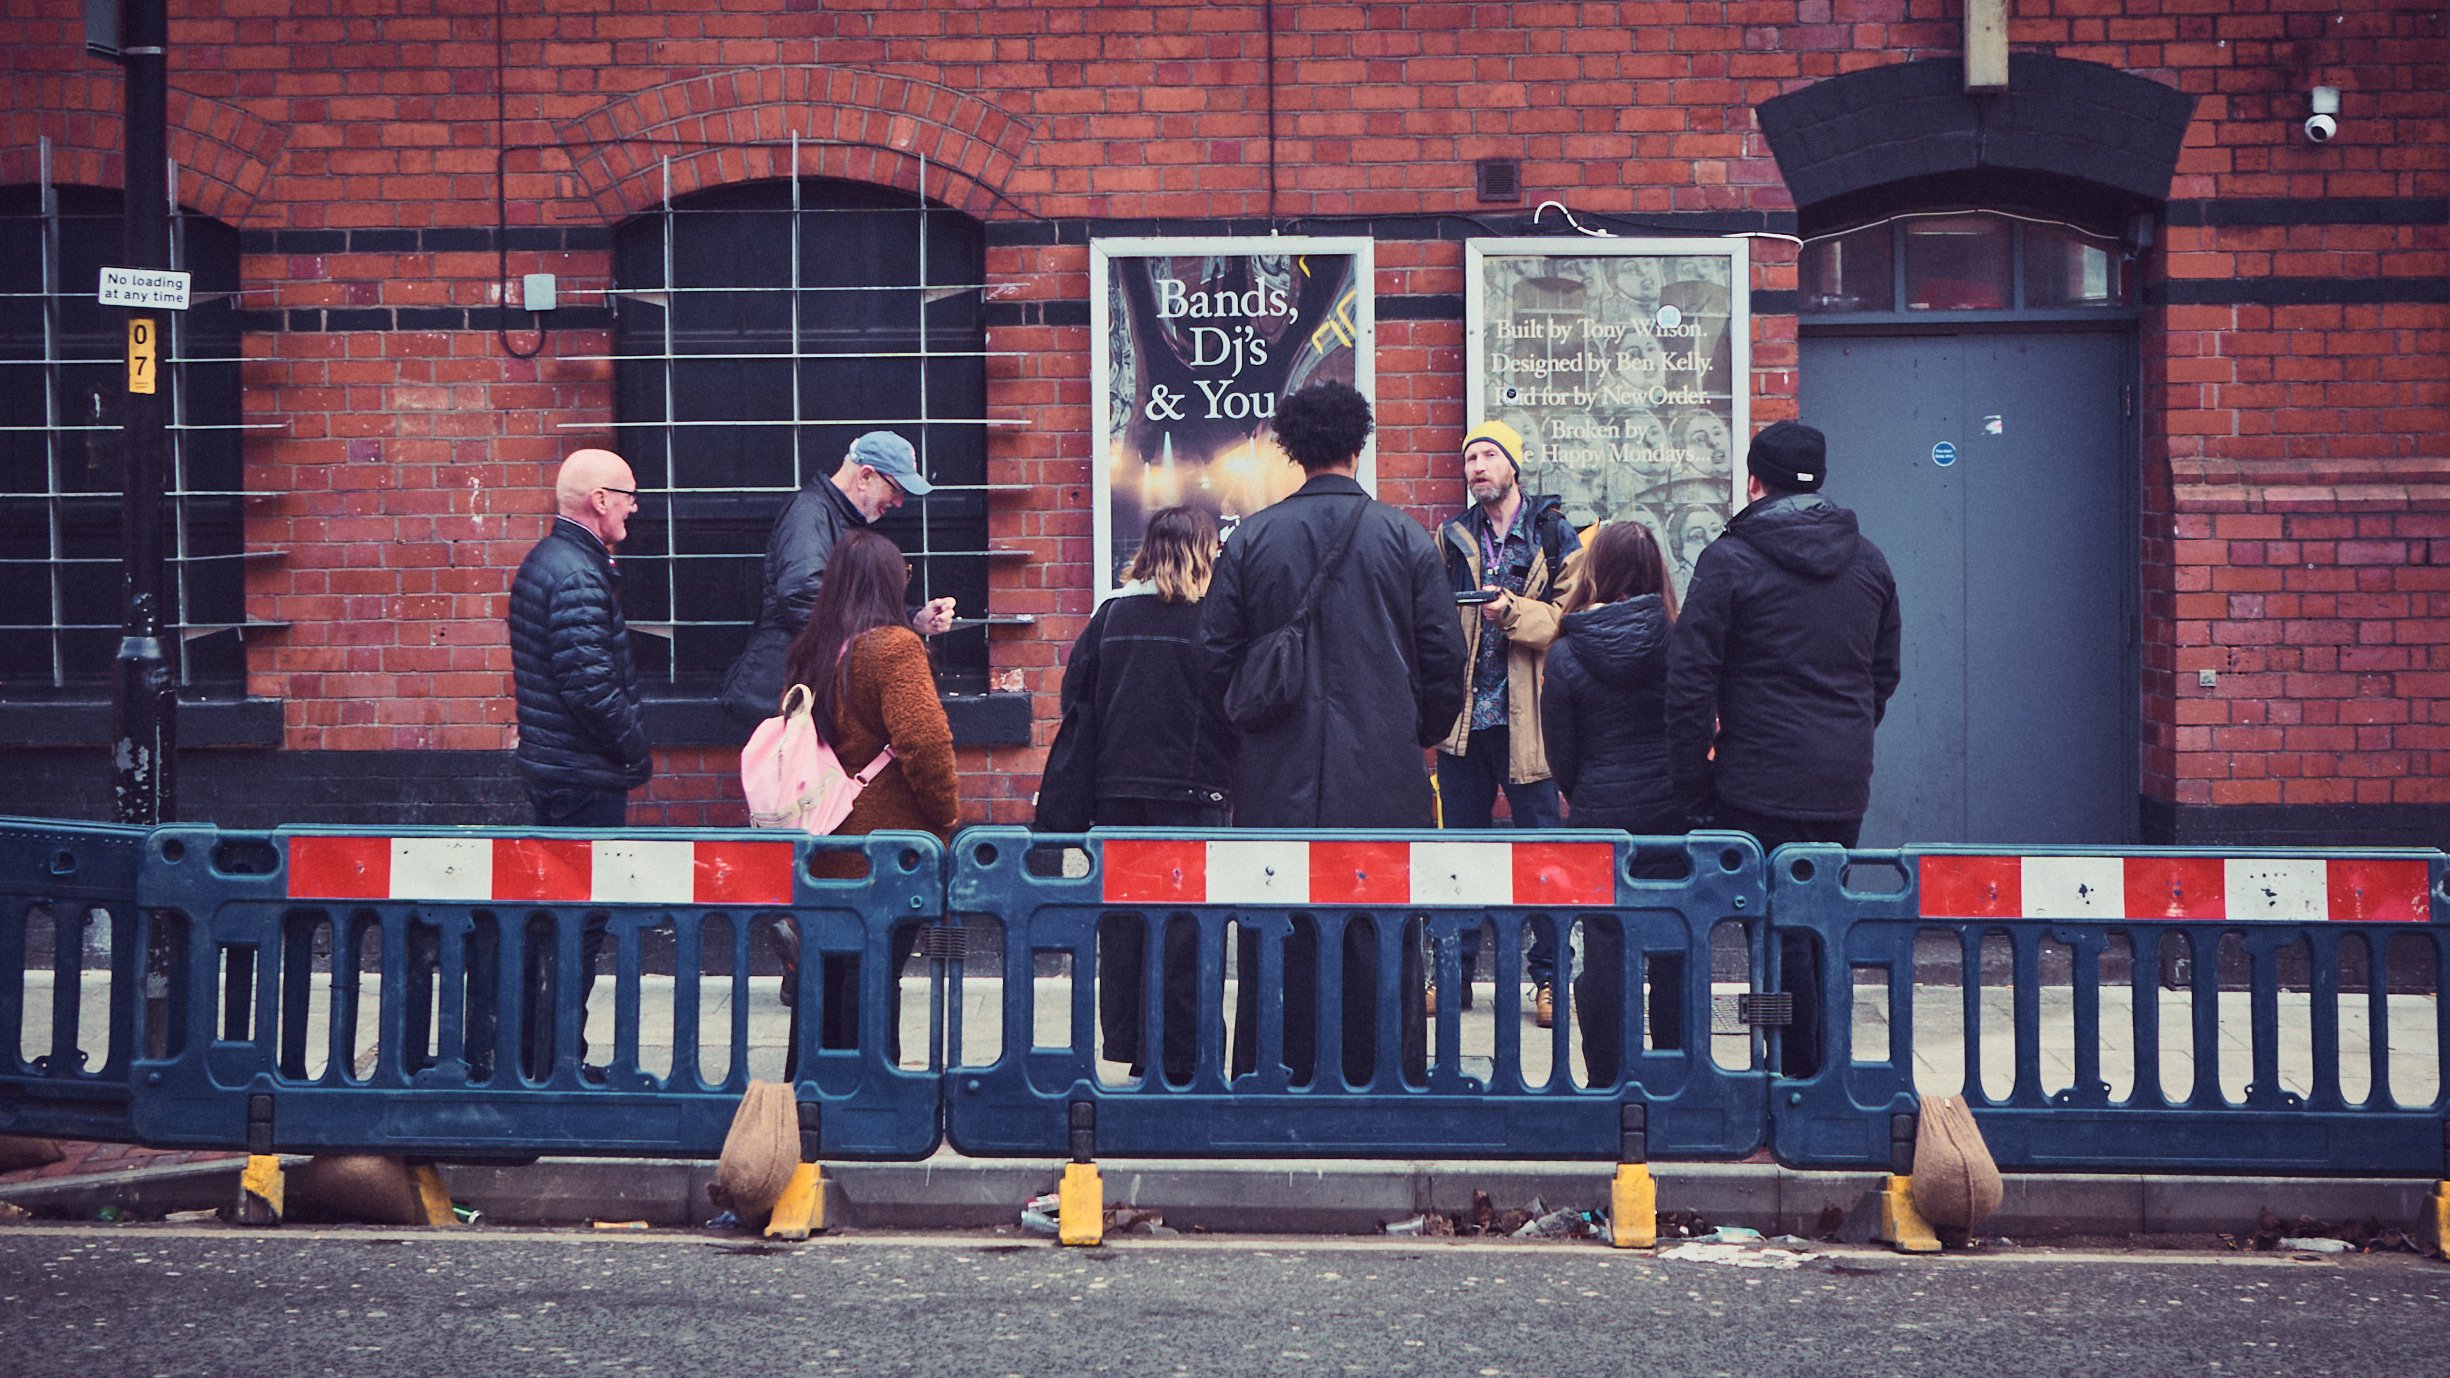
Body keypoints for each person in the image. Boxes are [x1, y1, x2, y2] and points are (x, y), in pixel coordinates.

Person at [1202, 381, 1465, 1086]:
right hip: (1381, 774)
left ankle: (1278, 1077)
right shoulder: (1405, 537)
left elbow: (1215, 657)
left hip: (1275, 777)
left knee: (1277, 932)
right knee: (1379, 933)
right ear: (1359, 443)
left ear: (1290, 450)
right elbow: (1445, 657)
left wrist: (1246, 744)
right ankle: (1382, 1079)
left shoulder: (1252, 538)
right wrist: (1416, 732)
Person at [1665, 419, 1900, 1075]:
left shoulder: (1729, 560)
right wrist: (1847, 736)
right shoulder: (1870, 561)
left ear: (1754, 480)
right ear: (1819, 479)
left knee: (1769, 937)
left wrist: (1692, 787)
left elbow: (1690, 683)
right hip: (1840, 782)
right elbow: (1884, 673)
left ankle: (1786, 1072)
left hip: (1757, 781)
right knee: (1818, 927)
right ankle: (1816, 1066)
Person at [1035, 506, 1235, 1085]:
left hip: (1118, 797)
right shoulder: (1215, 621)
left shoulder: (1110, 618)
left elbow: (1078, 704)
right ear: (1205, 552)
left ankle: (1136, 1048)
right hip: (1196, 796)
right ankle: (1186, 1063)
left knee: (1125, 930)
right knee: (1188, 933)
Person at [776, 529, 961, 1071]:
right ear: (888, 581)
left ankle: (809, 1097)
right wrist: (945, 815)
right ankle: (870, 1103)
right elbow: (925, 741)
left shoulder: (811, 649)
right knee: (875, 973)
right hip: (883, 851)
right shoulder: (893, 648)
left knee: (823, 974)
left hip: (822, 841)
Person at [502, 447, 652, 1080]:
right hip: (583, 774)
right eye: (628, 495)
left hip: (556, 768)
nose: (634, 507)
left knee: (558, 919)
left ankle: (542, 1056)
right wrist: (634, 751)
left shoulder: (552, 561)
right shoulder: (579, 575)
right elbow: (590, 688)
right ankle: (558, 1062)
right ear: (600, 500)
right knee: (578, 926)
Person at [1434, 419, 1581, 1027]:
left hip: (1531, 723)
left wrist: (1510, 612)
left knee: (1544, 857)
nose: (1477, 467)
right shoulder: (1451, 537)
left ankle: (1550, 983)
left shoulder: (1554, 534)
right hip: (1465, 724)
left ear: (1514, 466)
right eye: (1470, 457)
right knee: (1459, 858)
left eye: (1489, 455)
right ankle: (1452, 980)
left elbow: (1569, 617)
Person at [1540, 520, 1682, 1088]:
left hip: (1600, 815)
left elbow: (1561, 756)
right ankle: (1676, 1073)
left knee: (1605, 949)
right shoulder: (1680, 640)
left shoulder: (1568, 652)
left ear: (1596, 570)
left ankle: (1608, 1081)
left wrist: (1588, 794)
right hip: (1673, 817)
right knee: (1674, 944)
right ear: (1655, 572)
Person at [719, 431, 956, 728]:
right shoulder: (810, 512)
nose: (898, 503)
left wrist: (913, 619)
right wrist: (870, 647)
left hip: (795, 690)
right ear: (866, 476)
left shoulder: (834, 516)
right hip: (786, 693)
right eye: (896, 490)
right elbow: (802, 596)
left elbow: (845, 602)